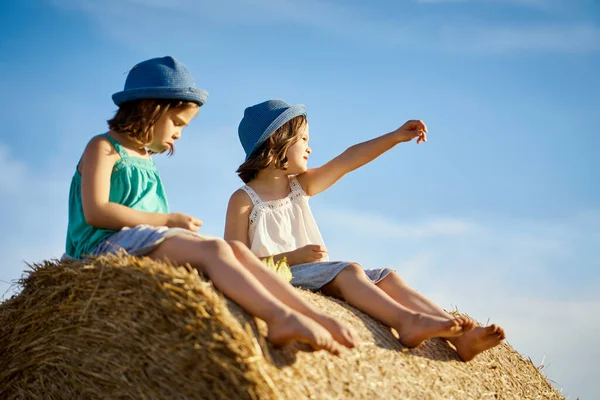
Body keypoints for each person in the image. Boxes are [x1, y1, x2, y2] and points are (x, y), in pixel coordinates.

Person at [64, 58, 358, 354]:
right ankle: (278, 317)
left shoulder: (144, 159)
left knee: (238, 251)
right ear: (149, 108)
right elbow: (96, 211)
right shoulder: (102, 148)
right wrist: (166, 221)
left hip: (138, 241)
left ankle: (313, 315)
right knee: (216, 251)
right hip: (101, 247)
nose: (179, 133)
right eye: (177, 123)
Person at [225, 100, 506, 360]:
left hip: (317, 273)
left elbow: (348, 160)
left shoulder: (300, 186)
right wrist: (292, 258)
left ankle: (463, 338)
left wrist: (395, 136)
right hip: (281, 279)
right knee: (350, 271)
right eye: (304, 140)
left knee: (387, 277)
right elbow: (235, 263)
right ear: (276, 141)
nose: (310, 148)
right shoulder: (244, 199)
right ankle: (405, 321)